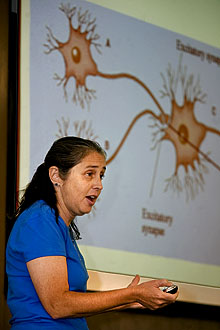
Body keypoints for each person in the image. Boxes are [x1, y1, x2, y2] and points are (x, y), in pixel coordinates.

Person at [6, 136, 178, 329]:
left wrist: (128, 300)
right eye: (89, 174)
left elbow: (69, 306)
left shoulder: (59, 225)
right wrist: (131, 294)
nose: (99, 185)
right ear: (55, 176)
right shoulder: (40, 220)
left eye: (101, 175)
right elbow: (58, 305)